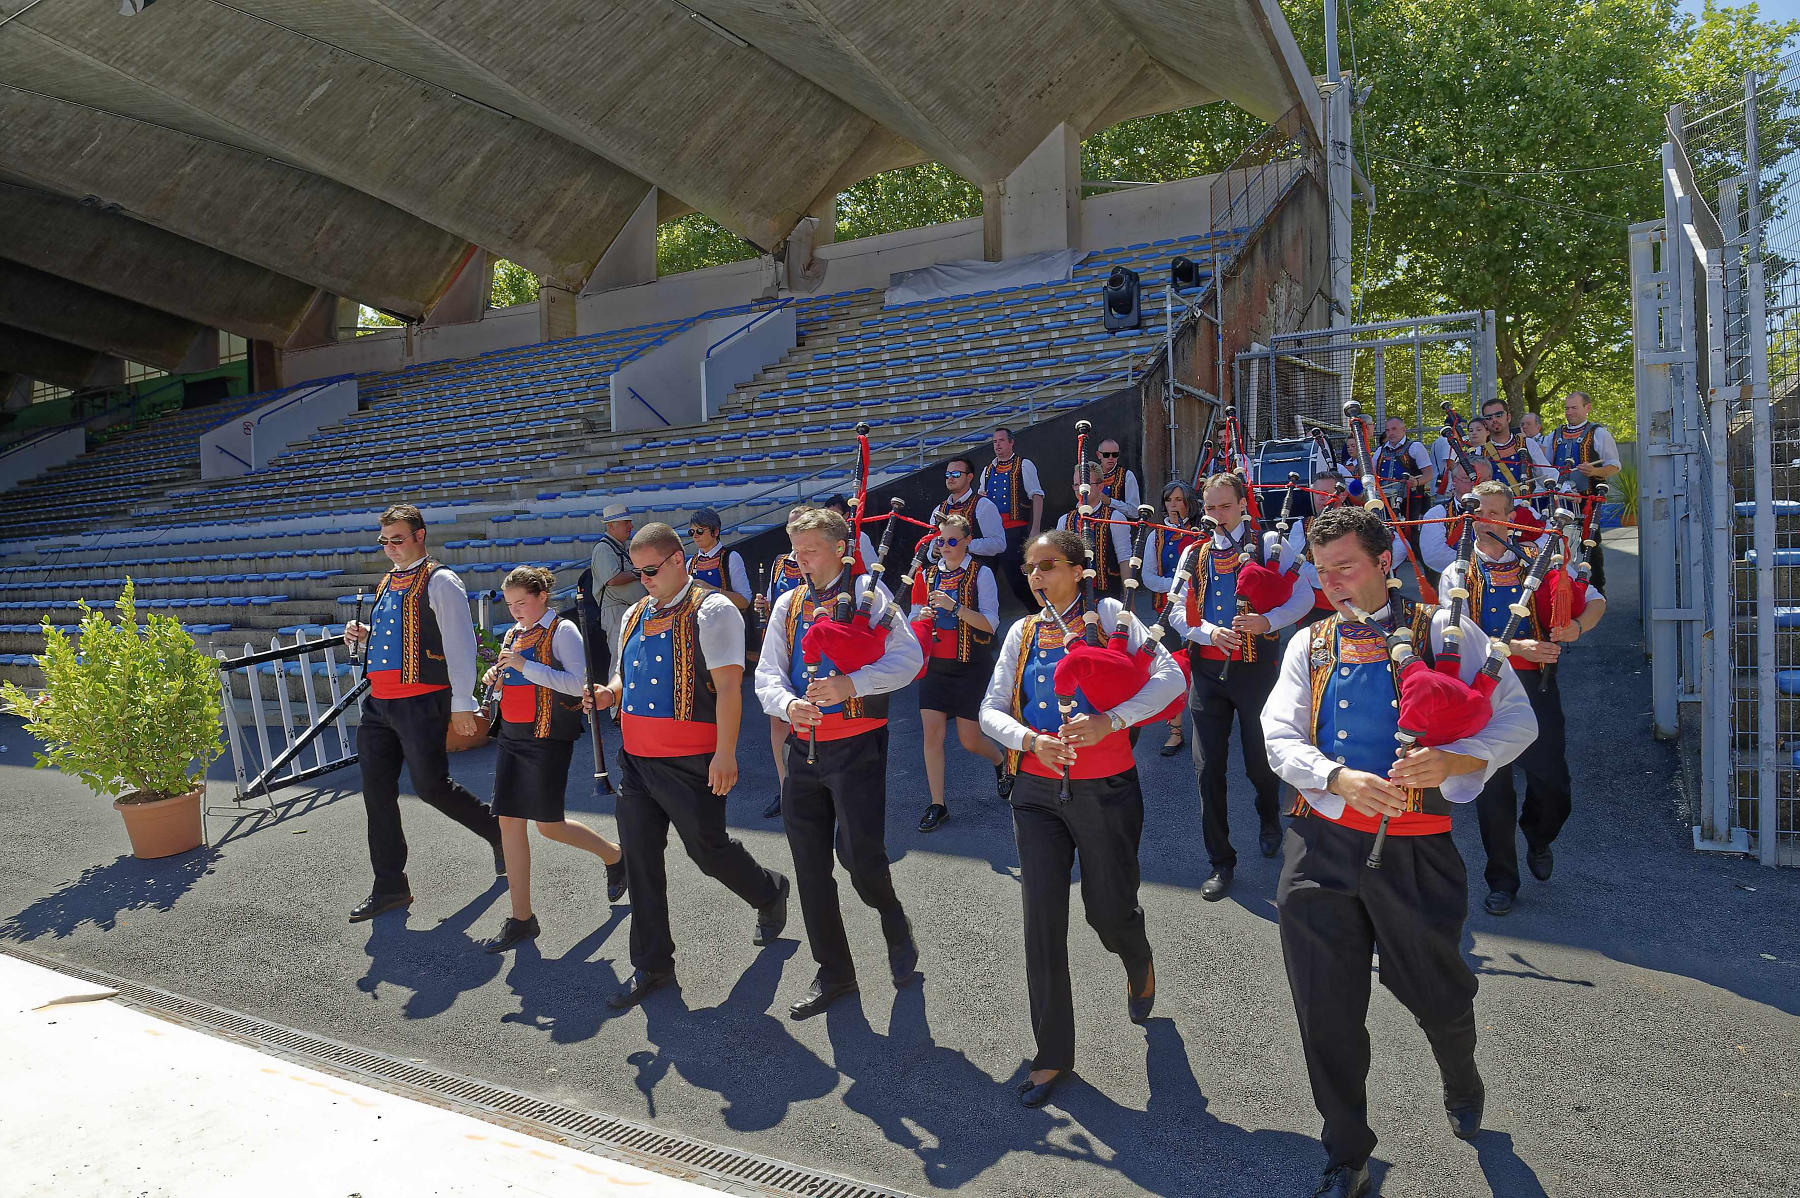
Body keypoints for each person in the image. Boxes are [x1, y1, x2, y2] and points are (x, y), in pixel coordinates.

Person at [1262, 504, 1537, 1198]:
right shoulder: (1309, 643)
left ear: (1384, 563)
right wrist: (1335, 777)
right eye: (1321, 571)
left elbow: (1517, 719)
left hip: (1416, 847)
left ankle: (1460, 1073)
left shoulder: (1445, 630)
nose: (1331, 584)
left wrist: (1456, 760)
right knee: (1324, 1007)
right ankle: (1346, 1154)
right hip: (1319, 845)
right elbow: (1278, 734)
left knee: (1436, 992)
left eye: (1345, 568)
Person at [979, 528, 1185, 1108]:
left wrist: (1111, 721)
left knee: (1107, 911)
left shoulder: (1112, 615)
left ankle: (1136, 955)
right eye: (1030, 568)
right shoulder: (1021, 633)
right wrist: (1030, 741)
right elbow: (990, 709)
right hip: (1034, 789)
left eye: (1048, 565)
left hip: (1105, 789)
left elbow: (1170, 678)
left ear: (1078, 569)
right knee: (1041, 920)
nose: (1037, 577)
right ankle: (1050, 1054)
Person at [588, 523, 791, 1008]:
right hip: (636, 759)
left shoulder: (713, 609)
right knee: (640, 859)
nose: (644, 580)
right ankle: (652, 964)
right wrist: (608, 694)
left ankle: (769, 891)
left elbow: (729, 688)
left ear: (678, 560)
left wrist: (726, 753)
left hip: (690, 759)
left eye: (651, 570)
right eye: (639, 572)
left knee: (708, 852)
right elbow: (624, 675)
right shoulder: (635, 612)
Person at [755, 506, 925, 1020]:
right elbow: (767, 674)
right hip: (802, 747)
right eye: (796, 550)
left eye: (810, 550)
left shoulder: (872, 596)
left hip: (857, 747)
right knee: (810, 867)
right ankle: (835, 972)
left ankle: (892, 918)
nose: (800, 559)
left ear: (839, 549)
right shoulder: (788, 603)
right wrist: (787, 705)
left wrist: (852, 684)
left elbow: (909, 659)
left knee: (861, 859)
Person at [1446, 482, 1606, 916]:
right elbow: (1457, 633)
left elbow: (1594, 601)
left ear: (1510, 518)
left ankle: (1539, 835)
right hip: (1482, 691)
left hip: (1536, 688)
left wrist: (1576, 628)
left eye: (1494, 513)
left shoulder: (1539, 557)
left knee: (1552, 783)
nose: (1485, 521)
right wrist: (1518, 647)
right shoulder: (1456, 571)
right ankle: (1502, 881)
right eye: (1477, 512)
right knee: (1492, 791)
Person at [343, 503, 503, 922]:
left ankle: (496, 830)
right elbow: (397, 638)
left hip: (422, 699)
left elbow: (460, 643)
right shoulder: (387, 581)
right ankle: (390, 885)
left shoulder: (441, 580)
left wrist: (463, 703)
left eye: (397, 539)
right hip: (379, 702)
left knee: (431, 786)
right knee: (376, 793)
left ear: (420, 536)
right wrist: (364, 636)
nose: (390, 547)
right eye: (384, 541)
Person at [1167, 474, 1313, 900]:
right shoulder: (1193, 553)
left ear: (1243, 505)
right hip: (1207, 676)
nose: (1217, 516)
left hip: (1256, 675)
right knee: (1207, 769)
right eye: (1210, 508)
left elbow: (1303, 596)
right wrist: (1208, 632)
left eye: (1225, 507)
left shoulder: (1269, 545)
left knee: (1259, 763)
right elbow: (1175, 611)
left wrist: (1268, 621)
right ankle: (1221, 860)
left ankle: (1269, 818)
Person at [476, 566, 626, 953]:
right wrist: (496, 678)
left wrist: (524, 666)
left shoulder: (563, 630)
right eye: (510, 605)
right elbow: (515, 681)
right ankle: (521, 918)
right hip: (511, 735)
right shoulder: (514, 634)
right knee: (509, 822)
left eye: (521, 603)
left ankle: (614, 856)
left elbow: (578, 684)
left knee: (549, 826)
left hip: (547, 736)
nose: (515, 611)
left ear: (542, 596)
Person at [909, 511, 1008, 832]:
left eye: (952, 541)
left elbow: (990, 624)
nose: (945, 546)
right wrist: (920, 616)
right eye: (941, 541)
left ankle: (1000, 760)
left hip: (971, 666)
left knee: (969, 740)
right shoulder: (927, 575)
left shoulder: (981, 573)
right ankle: (937, 803)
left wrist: (955, 607)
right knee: (931, 736)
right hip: (935, 667)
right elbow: (912, 618)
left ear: (967, 541)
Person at [753, 507, 816, 819]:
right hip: (782, 642)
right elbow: (772, 597)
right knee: (778, 721)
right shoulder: (780, 562)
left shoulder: (816, 558)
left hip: (811, 643)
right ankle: (785, 789)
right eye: (791, 526)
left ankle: (814, 789)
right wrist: (762, 604)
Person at [1140, 480, 1201, 757]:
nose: (1174, 505)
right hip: (1167, 612)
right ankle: (1175, 731)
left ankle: (1207, 725)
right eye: (1169, 500)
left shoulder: (1201, 531)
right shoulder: (1156, 535)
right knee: (1175, 670)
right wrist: (1178, 586)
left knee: (1203, 670)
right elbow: (1148, 578)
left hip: (1200, 610)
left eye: (1179, 499)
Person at [1547, 391, 1622, 591]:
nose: (1569, 412)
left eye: (1574, 407)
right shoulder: (1554, 435)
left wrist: (1594, 471)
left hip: (1589, 501)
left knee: (1591, 545)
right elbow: (1545, 466)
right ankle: (1561, 589)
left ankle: (1598, 590)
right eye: (1567, 408)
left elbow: (1614, 466)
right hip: (1560, 501)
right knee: (1557, 544)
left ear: (1587, 408)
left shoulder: (1599, 433)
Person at [980, 427, 1045, 608]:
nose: (997, 445)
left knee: (1018, 580)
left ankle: (1039, 612)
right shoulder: (987, 470)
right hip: (991, 533)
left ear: (1011, 442)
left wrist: (1035, 529)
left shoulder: (1024, 465)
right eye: (994, 442)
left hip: (1015, 532)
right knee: (984, 577)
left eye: (1001, 440)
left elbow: (1037, 496)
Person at [589, 502, 646, 682]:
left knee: (632, 658)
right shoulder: (603, 548)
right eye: (625, 522)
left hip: (628, 610)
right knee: (619, 661)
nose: (631, 526)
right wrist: (639, 572)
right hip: (616, 612)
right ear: (611, 525)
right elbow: (612, 579)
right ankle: (614, 699)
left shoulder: (618, 547)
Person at [927, 457, 1006, 568]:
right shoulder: (939, 509)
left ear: (969, 477)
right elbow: (931, 546)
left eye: (956, 474)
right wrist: (933, 552)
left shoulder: (983, 505)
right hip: (944, 573)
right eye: (947, 475)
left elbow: (999, 543)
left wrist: (965, 545)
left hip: (977, 573)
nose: (950, 478)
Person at [1373, 417, 1434, 560]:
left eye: (1394, 429)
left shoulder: (1415, 447)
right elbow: (1373, 475)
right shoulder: (1380, 451)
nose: (1390, 433)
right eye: (1387, 430)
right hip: (1386, 500)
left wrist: (1416, 482)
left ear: (1403, 429)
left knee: (1413, 534)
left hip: (1411, 499)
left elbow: (1429, 474)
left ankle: (1425, 567)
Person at [1478, 397, 1554, 499]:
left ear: (1508, 417)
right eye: (1489, 417)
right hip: (1493, 508)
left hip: (1525, 506)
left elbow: (1547, 475)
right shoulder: (1479, 452)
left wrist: (1565, 489)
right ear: (1485, 423)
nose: (1494, 420)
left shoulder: (1527, 444)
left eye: (1499, 415)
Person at [1093, 438, 1141, 594]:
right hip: (1093, 532)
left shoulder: (1126, 476)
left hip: (1118, 534)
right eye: (1106, 454)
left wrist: (1110, 502)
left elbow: (1135, 511)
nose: (1111, 458)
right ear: (1098, 455)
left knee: (1117, 579)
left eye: (1115, 454)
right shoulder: (1090, 476)